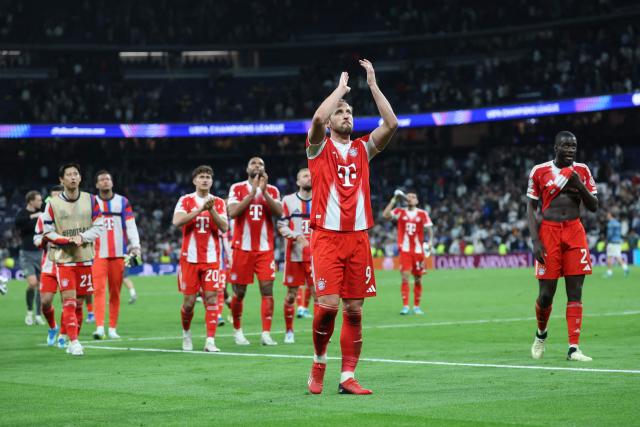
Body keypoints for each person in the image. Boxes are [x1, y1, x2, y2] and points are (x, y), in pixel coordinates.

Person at [306, 59, 398, 394]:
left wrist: (372, 84)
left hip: (358, 238)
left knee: (355, 310)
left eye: (349, 111)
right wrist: (340, 91)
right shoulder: (318, 149)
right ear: (332, 121)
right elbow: (317, 118)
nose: (347, 115)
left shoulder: (362, 148)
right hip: (326, 237)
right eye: (341, 112)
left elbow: (392, 123)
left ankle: (347, 377)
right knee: (328, 306)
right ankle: (318, 362)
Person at [526, 131, 598, 362]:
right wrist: (535, 240)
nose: (570, 149)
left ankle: (573, 348)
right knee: (546, 295)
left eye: (573, 146)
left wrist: (579, 184)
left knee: (575, 292)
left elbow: (594, 206)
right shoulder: (539, 171)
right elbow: (531, 208)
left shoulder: (582, 171)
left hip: (574, 232)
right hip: (548, 232)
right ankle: (541, 335)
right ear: (556, 147)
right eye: (566, 146)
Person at [41, 163, 104, 356]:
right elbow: (47, 231)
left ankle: (70, 337)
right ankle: (75, 342)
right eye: (69, 175)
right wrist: (66, 240)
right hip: (64, 259)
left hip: (85, 258)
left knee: (78, 303)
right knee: (68, 301)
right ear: (62, 180)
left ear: (80, 178)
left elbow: (99, 226)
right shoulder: (52, 203)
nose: (73, 177)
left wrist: (82, 238)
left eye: (76, 174)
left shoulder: (91, 200)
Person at [227, 157, 283, 346]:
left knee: (267, 289)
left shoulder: (273, 189)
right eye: (253, 163)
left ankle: (266, 333)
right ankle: (237, 331)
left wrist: (264, 192)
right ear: (247, 168)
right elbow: (233, 213)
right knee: (240, 291)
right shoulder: (237, 188)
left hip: (265, 249)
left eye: (260, 164)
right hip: (242, 248)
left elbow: (279, 212)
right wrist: (252, 193)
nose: (257, 166)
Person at [173, 165, 228, 352]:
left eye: (208, 177)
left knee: (212, 298)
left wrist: (211, 210)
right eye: (201, 177)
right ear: (194, 180)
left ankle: (210, 341)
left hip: (212, 259)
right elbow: (177, 222)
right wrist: (200, 210)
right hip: (189, 259)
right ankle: (186, 334)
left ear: (212, 181)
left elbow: (224, 228)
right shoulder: (185, 200)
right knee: (188, 303)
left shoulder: (219, 202)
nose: (205, 180)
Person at [91, 170, 141, 340]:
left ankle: (112, 328)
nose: (105, 181)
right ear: (97, 185)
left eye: (108, 179)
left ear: (112, 183)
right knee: (98, 290)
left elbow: (131, 224)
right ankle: (99, 327)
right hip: (98, 254)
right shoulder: (91, 202)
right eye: (101, 180)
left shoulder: (123, 202)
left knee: (115, 292)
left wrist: (136, 246)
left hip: (119, 254)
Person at [277, 167, 314, 344]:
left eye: (311, 175)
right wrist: (296, 236)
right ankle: (289, 330)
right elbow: (281, 225)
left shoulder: (321, 199)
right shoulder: (288, 200)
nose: (309, 178)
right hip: (294, 256)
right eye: (305, 176)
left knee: (319, 296)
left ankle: (320, 332)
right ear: (298, 182)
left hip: (316, 257)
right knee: (291, 295)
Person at [382, 190, 433, 315]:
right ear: (405, 199)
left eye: (413, 197)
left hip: (418, 251)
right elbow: (385, 215)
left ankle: (416, 306)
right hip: (405, 251)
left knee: (418, 279)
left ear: (417, 201)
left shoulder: (422, 213)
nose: (410, 198)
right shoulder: (400, 211)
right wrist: (394, 199)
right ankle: (405, 306)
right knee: (405, 277)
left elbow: (429, 229)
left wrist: (430, 242)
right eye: (408, 196)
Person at [34, 185, 63, 346]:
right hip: (49, 266)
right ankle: (53, 327)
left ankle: (64, 335)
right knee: (45, 302)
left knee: (69, 302)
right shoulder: (43, 218)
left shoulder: (72, 217)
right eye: (54, 198)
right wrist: (44, 239)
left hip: (68, 264)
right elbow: (36, 239)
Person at [15, 190, 45, 325]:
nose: (41, 202)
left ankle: (38, 315)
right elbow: (18, 223)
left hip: (40, 252)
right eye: (38, 200)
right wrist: (35, 216)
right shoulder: (22, 213)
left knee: (41, 286)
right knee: (33, 283)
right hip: (26, 253)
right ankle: (29, 312)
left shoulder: (43, 211)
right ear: (31, 201)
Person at [604, 211, 630, 278]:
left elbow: (610, 234)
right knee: (618, 256)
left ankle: (609, 272)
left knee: (609, 257)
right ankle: (625, 268)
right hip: (618, 242)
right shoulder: (618, 223)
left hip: (612, 242)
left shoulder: (610, 223)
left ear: (611, 215)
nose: (607, 215)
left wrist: (607, 241)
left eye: (608, 214)